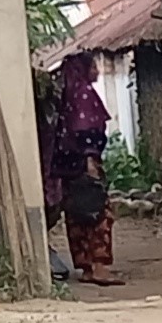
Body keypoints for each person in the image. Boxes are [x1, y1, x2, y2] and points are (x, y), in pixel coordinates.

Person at [46, 54, 119, 287]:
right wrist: (91, 162)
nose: (97, 70)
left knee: (77, 215)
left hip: (66, 169)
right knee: (99, 215)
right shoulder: (84, 95)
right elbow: (85, 130)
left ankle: (86, 266)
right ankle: (100, 268)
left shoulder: (67, 95)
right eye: (94, 66)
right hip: (84, 165)